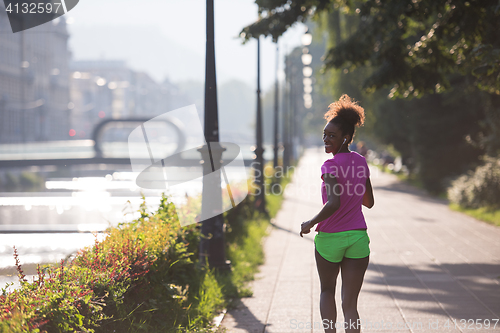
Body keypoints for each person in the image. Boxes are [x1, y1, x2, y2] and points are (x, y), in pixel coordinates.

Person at [300, 94, 374, 333]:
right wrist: (354, 187)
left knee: (327, 291)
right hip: (358, 238)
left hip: (330, 238)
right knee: (350, 303)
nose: (326, 139)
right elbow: (369, 202)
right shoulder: (361, 162)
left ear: (346, 138)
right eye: (325, 134)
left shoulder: (330, 166)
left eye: (332, 136)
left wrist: (309, 223)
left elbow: (333, 203)